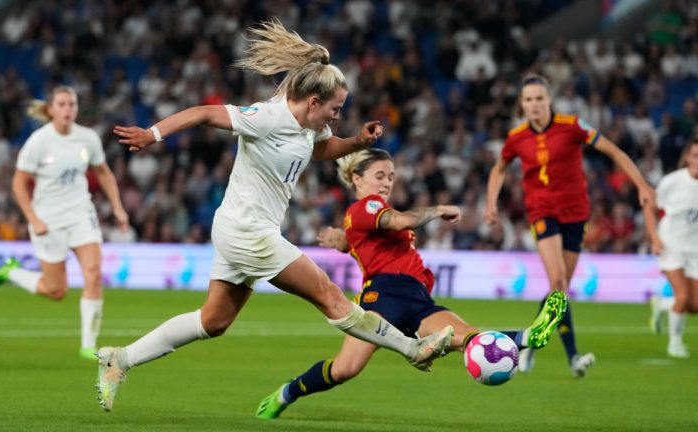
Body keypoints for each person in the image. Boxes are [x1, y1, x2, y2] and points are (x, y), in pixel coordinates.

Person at [95, 19, 453, 412]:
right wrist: (153, 134)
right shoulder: (267, 117)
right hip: (248, 232)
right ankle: (412, 348)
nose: (337, 116)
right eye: (335, 109)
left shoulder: (307, 128)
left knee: (213, 321)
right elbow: (202, 113)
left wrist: (357, 142)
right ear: (313, 102)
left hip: (242, 229)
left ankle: (119, 359)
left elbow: (322, 148)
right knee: (332, 297)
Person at [255, 148, 568, 419]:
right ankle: (287, 393)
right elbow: (399, 221)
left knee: (466, 336)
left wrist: (342, 241)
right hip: (384, 297)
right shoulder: (367, 207)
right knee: (344, 369)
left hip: (416, 297)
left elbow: (361, 241)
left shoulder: (363, 217)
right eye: (380, 175)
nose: (387, 182)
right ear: (357, 179)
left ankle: (530, 335)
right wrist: (438, 210)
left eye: (391, 176)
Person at [483, 74, 656, 378]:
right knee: (559, 281)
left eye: (539, 98)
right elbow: (498, 170)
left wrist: (641, 184)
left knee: (557, 290)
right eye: (528, 100)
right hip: (542, 212)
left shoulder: (572, 125)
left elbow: (613, 151)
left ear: (548, 100)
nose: (534, 105)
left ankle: (530, 344)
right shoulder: (517, 138)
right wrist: (491, 203)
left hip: (576, 213)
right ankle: (574, 356)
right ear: (522, 105)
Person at [0, 86, 130, 361]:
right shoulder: (39, 142)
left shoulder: (87, 138)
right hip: (48, 219)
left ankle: (88, 346)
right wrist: (33, 219)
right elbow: (19, 184)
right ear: (51, 109)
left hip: (81, 214)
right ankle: (11, 273)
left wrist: (118, 207)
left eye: (72, 104)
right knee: (55, 291)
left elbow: (103, 172)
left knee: (93, 274)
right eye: (62, 104)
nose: (68, 109)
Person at [645, 136, 698, 358]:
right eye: (696, 156)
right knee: (682, 296)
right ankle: (675, 344)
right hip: (671, 244)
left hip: (697, 248)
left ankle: (662, 305)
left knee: (696, 305)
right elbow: (649, 206)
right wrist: (654, 238)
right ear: (688, 158)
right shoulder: (672, 182)